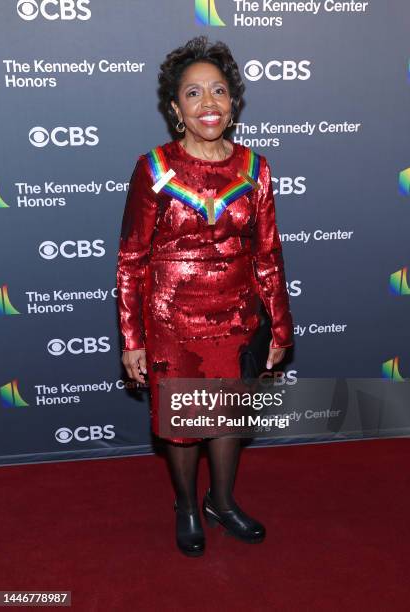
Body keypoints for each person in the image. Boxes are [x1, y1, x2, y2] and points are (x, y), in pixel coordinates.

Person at [116, 35, 293, 557]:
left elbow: (268, 255)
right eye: (193, 94)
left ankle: (221, 501)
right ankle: (188, 507)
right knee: (183, 423)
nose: (208, 104)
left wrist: (279, 328)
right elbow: (131, 258)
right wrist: (132, 337)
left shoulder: (254, 169)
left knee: (227, 417)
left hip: (238, 316)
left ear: (233, 101)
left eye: (218, 91)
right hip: (171, 319)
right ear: (175, 108)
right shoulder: (153, 170)